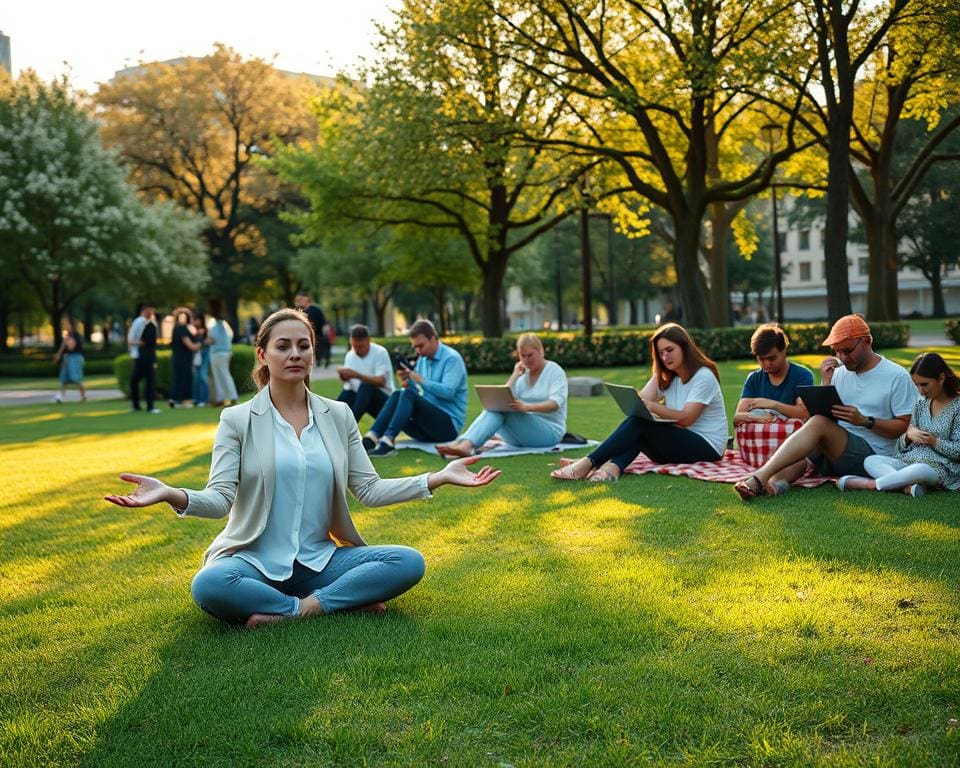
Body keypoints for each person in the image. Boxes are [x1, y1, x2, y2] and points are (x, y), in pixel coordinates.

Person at [105, 308, 500, 628]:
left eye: (303, 346)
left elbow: (369, 490)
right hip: (254, 561)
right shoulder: (237, 420)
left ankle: (301, 608)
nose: (294, 354)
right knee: (209, 584)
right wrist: (170, 493)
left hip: (319, 561)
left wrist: (439, 477)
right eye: (283, 346)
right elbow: (220, 500)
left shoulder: (339, 415)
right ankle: (323, 606)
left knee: (407, 561)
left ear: (313, 354)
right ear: (263, 354)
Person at [734, 314, 916, 500]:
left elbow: (904, 428)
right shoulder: (839, 372)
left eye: (847, 351)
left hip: (873, 456)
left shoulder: (896, 376)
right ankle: (774, 484)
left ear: (867, 342)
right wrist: (826, 382)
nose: (842, 357)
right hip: (835, 451)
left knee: (818, 425)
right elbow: (820, 418)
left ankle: (757, 478)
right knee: (802, 447)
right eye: (837, 351)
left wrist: (865, 421)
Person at [551, 323, 728, 482]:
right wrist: (636, 398)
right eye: (660, 353)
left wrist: (653, 407)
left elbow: (686, 419)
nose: (665, 357)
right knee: (639, 427)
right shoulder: (666, 376)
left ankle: (589, 463)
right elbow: (642, 402)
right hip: (679, 444)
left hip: (708, 446)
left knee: (640, 424)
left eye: (669, 350)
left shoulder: (704, 376)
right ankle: (611, 468)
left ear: (684, 347)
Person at [837, 352, 960, 497]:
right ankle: (907, 486)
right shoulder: (921, 403)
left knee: (918, 470)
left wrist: (933, 441)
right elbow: (899, 447)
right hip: (908, 461)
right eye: (917, 385)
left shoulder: (957, 407)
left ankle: (870, 485)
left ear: (941, 378)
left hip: (939, 467)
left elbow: (958, 451)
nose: (920, 391)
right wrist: (908, 436)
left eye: (924, 384)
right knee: (871, 460)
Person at [437, 333, 567, 457]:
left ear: (541, 351)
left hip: (549, 433)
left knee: (503, 409)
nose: (526, 360)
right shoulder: (522, 374)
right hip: (519, 435)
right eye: (522, 356)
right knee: (497, 407)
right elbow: (505, 396)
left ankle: (464, 444)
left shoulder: (554, 371)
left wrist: (527, 407)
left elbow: (555, 404)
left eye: (530, 355)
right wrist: (515, 375)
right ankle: (464, 444)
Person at [366, 319, 468, 458]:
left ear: (433, 339)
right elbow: (417, 394)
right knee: (398, 394)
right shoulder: (423, 359)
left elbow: (449, 393)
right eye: (415, 347)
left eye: (421, 346)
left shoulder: (452, 359)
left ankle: (388, 440)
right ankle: (372, 438)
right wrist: (407, 382)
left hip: (448, 428)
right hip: (427, 428)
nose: (418, 351)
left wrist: (421, 380)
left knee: (406, 395)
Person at [733, 324, 813, 426]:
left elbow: (803, 414)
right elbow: (737, 418)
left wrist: (772, 405)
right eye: (761, 359)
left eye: (772, 358)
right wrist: (755, 417)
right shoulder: (754, 379)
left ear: (784, 351)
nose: (767, 364)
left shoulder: (802, 375)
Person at [336, 324, 395, 422]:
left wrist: (357, 375)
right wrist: (344, 377)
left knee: (366, 386)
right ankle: (332, 426)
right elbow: (349, 387)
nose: (356, 350)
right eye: (353, 346)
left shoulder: (380, 352)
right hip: (361, 399)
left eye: (359, 347)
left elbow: (381, 381)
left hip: (384, 401)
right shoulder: (350, 355)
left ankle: (351, 427)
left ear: (368, 341)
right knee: (342, 400)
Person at [128, 302, 160, 414]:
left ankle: (137, 404)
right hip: (143, 355)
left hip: (140, 355)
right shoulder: (142, 322)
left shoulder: (142, 322)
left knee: (136, 380)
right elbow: (132, 340)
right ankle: (149, 406)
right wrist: (140, 343)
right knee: (148, 380)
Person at [169, 308, 201, 408]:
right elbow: (191, 345)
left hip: (178, 358)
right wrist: (201, 343)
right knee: (183, 379)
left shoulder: (177, 328)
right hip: (183, 359)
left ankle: (174, 400)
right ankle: (180, 401)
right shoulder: (182, 329)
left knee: (178, 379)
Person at [208, 302, 239, 407]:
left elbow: (211, 340)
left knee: (220, 375)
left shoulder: (214, 326)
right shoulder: (225, 325)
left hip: (217, 353)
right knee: (225, 374)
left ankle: (222, 398)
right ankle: (229, 397)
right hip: (226, 352)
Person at [53, 316, 87, 403]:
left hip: (75, 358)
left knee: (75, 378)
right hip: (68, 358)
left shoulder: (76, 335)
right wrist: (58, 355)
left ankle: (83, 395)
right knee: (64, 378)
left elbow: (71, 347)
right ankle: (61, 396)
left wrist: (67, 341)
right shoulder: (67, 336)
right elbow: (63, 348)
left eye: (66, 323)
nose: (65, 325)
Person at [294, 290, 331, 368]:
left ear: (306, 299)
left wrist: (325, 328)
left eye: (300, 300)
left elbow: (323, 321)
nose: (299, 302)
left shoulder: (316, 309)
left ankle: (322, 360)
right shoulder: (297, 311)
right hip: (304, 333)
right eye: (297, 300)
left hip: (317, 333)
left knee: (320, 347)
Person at [192, 310, 212, 407]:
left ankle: (204, 399)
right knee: (196, 377)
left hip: (204, 354)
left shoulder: (206, 331)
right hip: (196, 355)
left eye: (196, 320)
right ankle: (197, 399)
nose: (194, 322)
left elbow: (209, 342)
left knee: (202, 376)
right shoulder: (192, 330)